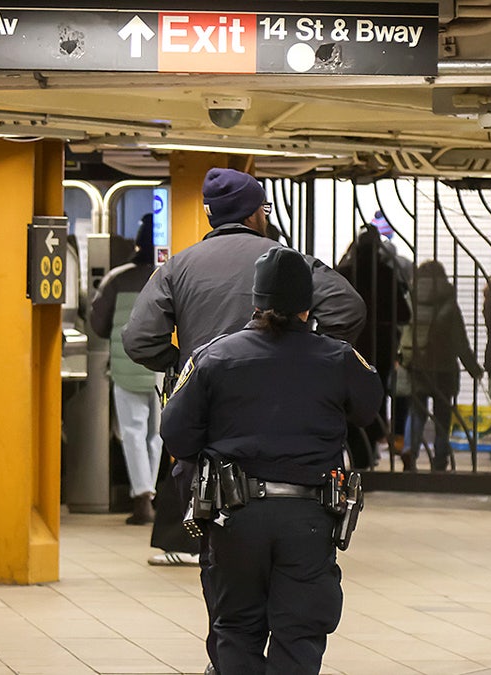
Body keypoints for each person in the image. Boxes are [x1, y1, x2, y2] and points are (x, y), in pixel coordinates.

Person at [122, 167, 367, 670]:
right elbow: (348, 309)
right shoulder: (286, 262)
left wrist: (185, 365)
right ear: (257, 213)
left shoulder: (179, 268)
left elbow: (139, 340)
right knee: (300, 613)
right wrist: (306, 349)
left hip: (220, 464)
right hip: (301, 476)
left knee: (231, 599)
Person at [161, 247, 383, 674]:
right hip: (310, 515)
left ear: (256, 301)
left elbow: (177, 433)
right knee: (299, 632)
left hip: (234, 515)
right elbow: (367, 408)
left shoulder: (214, 356)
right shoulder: (337, 358)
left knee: (237, 629)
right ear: (308, 306)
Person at [90, 215, 161, 525]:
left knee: (132, 432)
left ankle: (142, 498)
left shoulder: (116, 278)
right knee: (156, 435)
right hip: (161, 368)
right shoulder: (166, 274)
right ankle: (156, 494)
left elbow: (98, 323)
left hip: (126, 365)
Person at [335, 222, 412, 467]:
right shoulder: (386, 273)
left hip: (348, 346)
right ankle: (366, 455)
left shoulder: (345, 273)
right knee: (374, 400)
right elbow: (404, 313)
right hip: (380, 349)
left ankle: (350, 449)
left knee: (344, 398)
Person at [401, 260, 484, 472]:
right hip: (444, 368)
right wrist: (473, 368)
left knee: (417, 412)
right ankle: (439, 461)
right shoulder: (448, 304)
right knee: (442, 417)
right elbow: (460, 341)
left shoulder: (411, 301)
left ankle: (410, 449)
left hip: (418, 366)